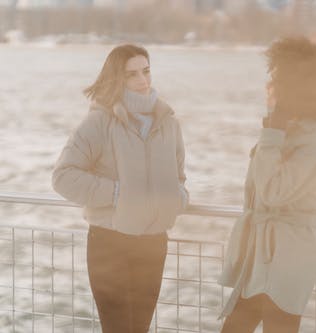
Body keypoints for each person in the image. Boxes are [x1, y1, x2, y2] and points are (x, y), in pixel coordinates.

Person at [52, 44, 188, 333]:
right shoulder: (99, 121)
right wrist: (117, 193)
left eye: (146, 71)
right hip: (109, 244)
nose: (143, 80)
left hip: (153, 244)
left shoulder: (169, 124)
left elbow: (179, 178)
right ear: (117, 79)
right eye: (132, 74)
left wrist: (178, 199)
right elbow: (63, 176)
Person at [218, 37, 316, 333]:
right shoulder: (288, 128)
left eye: (274, 81)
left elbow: (273, 193)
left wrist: (272, 132)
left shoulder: (315, 139)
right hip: (261, 253)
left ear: (291, 89)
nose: (267, 87)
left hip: (289, 255)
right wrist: (275, 128)